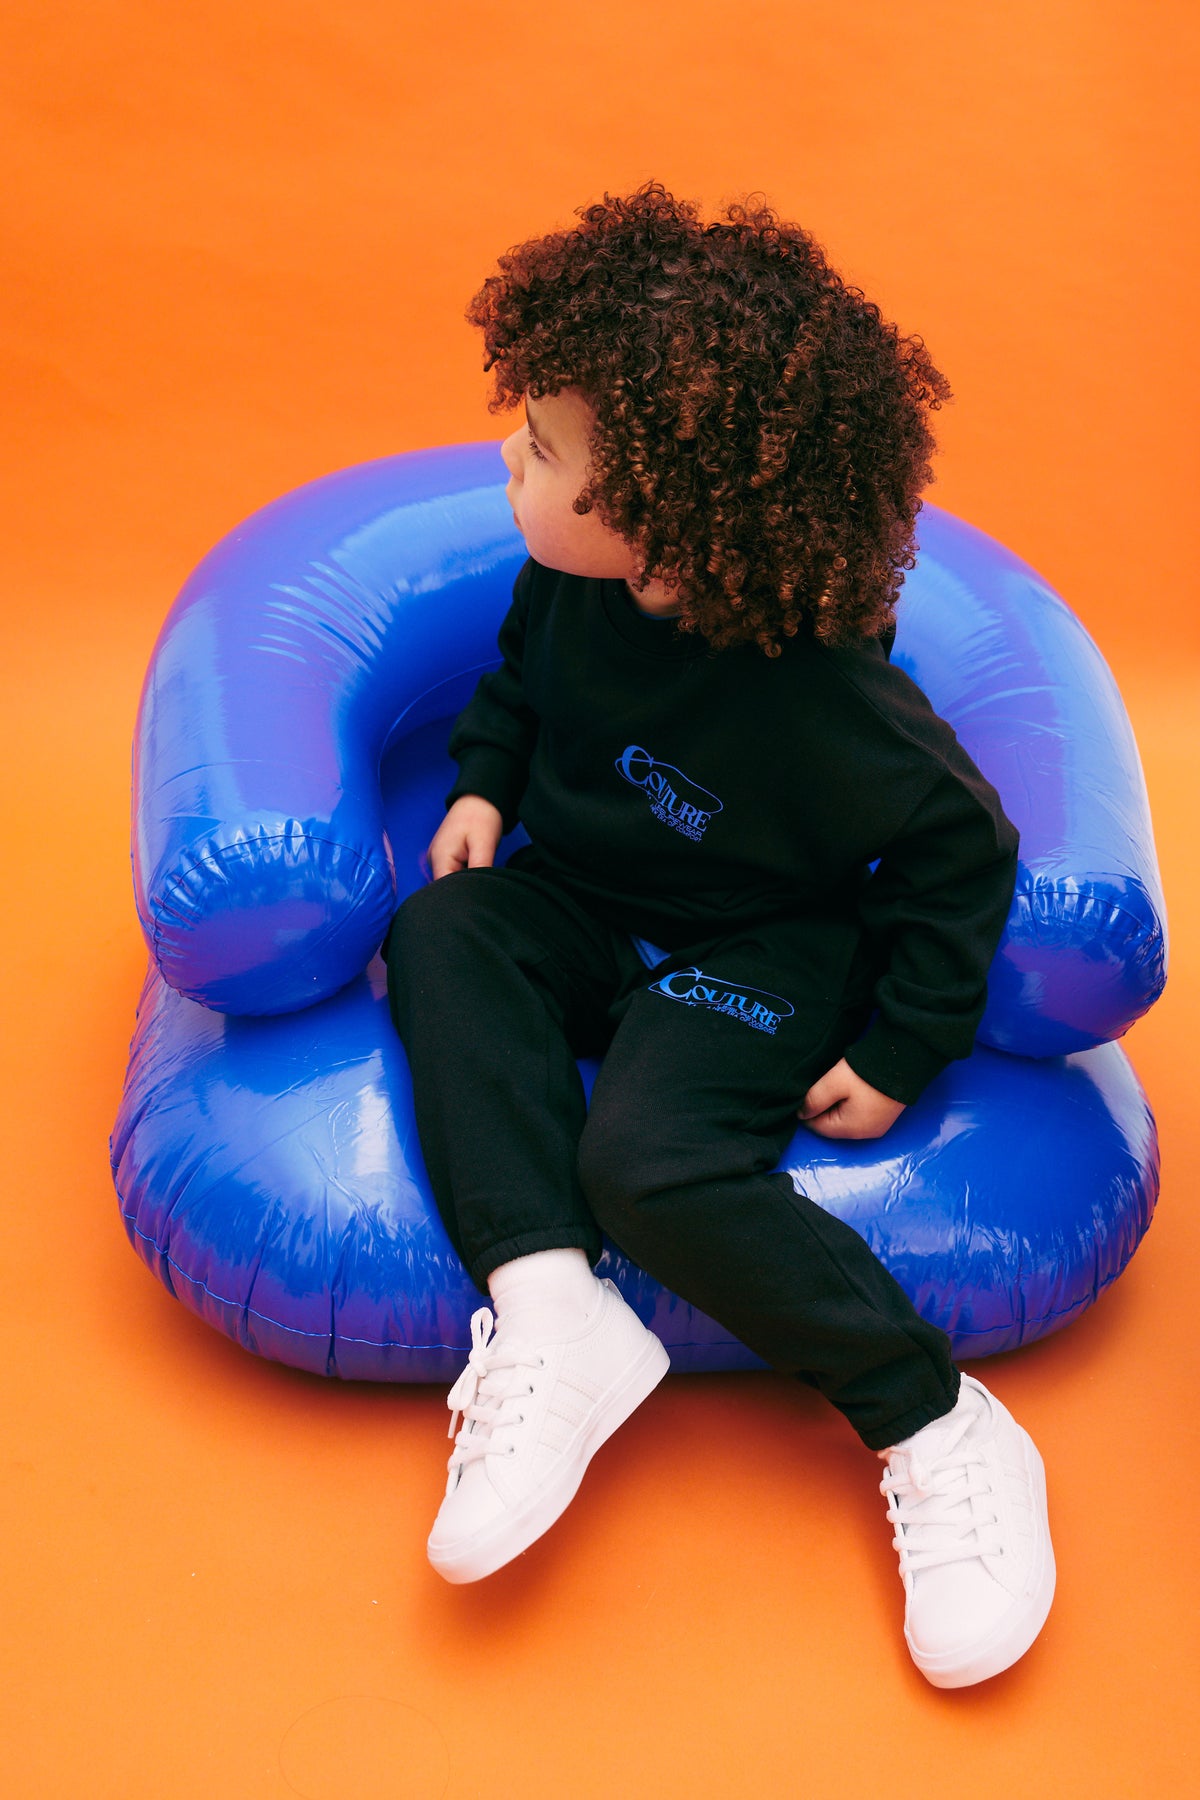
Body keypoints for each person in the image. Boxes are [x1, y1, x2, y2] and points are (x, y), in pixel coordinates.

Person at [383, 181, 1055, 1689]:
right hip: (587, 902)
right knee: (445, 930)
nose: (508, 458)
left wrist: (903, 1047)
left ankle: (936, 1421)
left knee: (649, 1164)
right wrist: (485, 783)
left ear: (663, 533)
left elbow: (962, 848)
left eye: (541, 450)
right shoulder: (569, 587)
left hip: (755, 951)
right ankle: (552, 1308)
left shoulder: (826, 695)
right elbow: (517, 682)